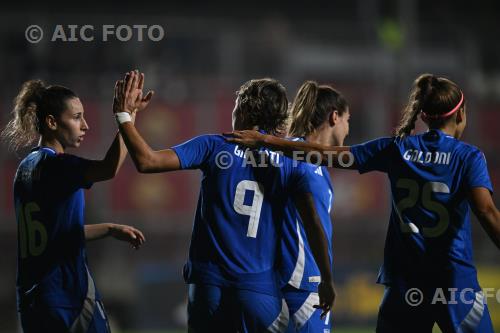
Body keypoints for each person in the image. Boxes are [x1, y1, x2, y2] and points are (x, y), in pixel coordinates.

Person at [226, 74, 500, 333]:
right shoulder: (468, 157)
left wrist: (266, 140)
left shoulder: (395, 149)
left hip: (404, 285)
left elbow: (325, 155)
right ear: (461, 114)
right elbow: (486, 211)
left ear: (423, 115)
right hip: (452, 284)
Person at [113, 71, 335, 332]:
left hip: (208, 287)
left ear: (242, 108)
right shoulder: (289, 159)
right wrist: (327, 279)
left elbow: (147, 161)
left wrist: (124, 115)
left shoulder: (213, 146)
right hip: (258, 291)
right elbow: (312, 222)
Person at [1, 78, 146, 333]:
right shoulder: (58, 166)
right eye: (77, 117)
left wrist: (110, 229)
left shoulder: (24, 169)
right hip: (68, 295)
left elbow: (56, 233)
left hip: (33, 299)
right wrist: (126, 116)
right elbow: (109, 168)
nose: (86, 125)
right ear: (52, 123)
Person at [271, 81, 349, 332]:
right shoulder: (302, 160)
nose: (348, 128)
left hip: (278, 282)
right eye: (348, 119)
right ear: (334, 117)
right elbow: (313, 222)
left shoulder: (303, 156)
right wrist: (326, 280)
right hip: (303, 284)